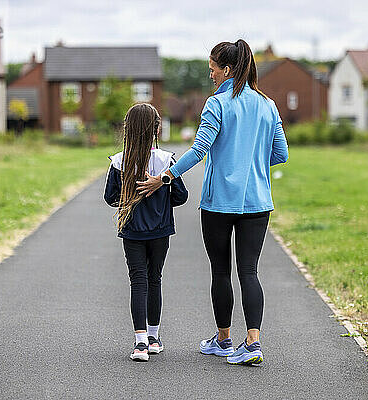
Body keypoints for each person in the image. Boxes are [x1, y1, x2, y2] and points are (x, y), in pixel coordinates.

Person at [136, 39, 289, 366]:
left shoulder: (217, 104)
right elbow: (281, 154)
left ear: (227, 69)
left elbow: (198, 150)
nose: (211, 77)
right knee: (249, 271)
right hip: (259, 202)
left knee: (221, 272)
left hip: (219, 203)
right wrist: (251, 165)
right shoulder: (268, 105)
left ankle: (223, 340)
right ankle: (253, 342)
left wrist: (164, 177)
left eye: (213, 71)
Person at [104, 103, 188, 362]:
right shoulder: (167, 162)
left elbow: (110, 198)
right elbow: (182, 196)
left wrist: (131, 198)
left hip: (132, 230)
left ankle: (139, 342)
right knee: (155, 279)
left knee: (137, 281)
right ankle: (154, 338)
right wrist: (161, 201)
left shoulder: (120, 162)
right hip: (161, 230)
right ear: (156, 130)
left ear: (127, 130)